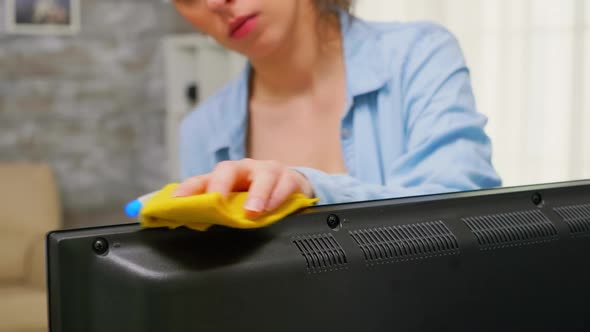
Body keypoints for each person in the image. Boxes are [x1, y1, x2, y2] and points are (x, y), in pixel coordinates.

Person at [171, 0, 501, 217]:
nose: (215, 2)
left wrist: (311, 189)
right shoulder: (201, 130)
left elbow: (462, 215)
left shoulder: (420, 54)